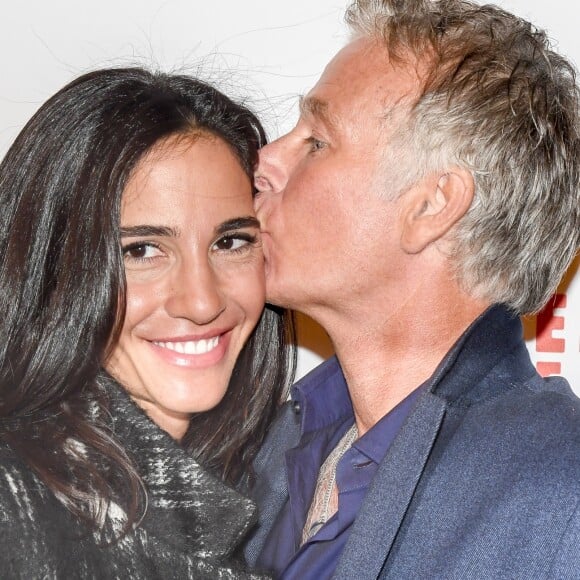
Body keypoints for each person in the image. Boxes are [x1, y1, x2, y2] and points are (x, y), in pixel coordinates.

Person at [244, 0, 580, 578]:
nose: (265, 160)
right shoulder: (273, 444)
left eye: (316, 141)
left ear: (430, 206)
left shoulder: (562, 495)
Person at [0, 67, 294, 578]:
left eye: (230, 242)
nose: (202, 303)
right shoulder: (15, 507)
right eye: (142, 250)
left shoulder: (259, 491)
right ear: (51, 267)